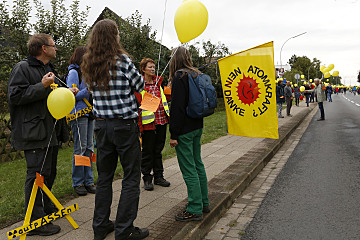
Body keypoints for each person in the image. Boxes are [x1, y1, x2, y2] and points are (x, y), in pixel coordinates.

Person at [81, 19, 148, 240]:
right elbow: (140, 87)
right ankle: (124, 230)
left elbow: (90, 91)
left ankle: (100, 226)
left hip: (101, 127)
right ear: (114, 36)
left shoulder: (88, 63)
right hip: (124, 126)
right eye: (117, 33)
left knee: (104, 178)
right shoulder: (124, 61)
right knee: (130, 177)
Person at [7, 33, 62, 236]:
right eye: (53, 45)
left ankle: (46, 209)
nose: (56, 49)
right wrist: (42, 86)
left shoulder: (48, 68)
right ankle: (35, 223)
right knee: (36, 175)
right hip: (33, 132)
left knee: (48, 172)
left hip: (48, 130)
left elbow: (50, 94)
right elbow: (15, 96)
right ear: (43, 49)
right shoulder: (22, 68)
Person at [168, 46, 210, 222]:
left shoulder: (179, 76)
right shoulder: (196, 74)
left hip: (184, 129)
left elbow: (177, 108)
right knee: (198, 164)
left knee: (188, 169)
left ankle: (194, 208)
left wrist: (173, 134)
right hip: (197, 125)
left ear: (175, 59)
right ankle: (203, 202)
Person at [135, 58, 170, 191]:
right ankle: (147, 178)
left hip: (161, 121)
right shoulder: (140, 86)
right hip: (149, 124)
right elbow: (137, 108)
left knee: (158, 150)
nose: (153, 69)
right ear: (143, 69)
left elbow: (163, 100)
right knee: (148, 152)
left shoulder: (158, 82)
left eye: (154, 67)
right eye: (150, 67)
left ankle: (159, 176)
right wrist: (140, 126)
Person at [66, 46, 96, 196]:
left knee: (89, 147)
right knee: (80, 148)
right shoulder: (73, 73)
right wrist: (88, 90)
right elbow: (70, 96)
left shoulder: (87, 73)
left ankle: (89, 180)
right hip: (78, 114)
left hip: (89, 113)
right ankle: (78, 182)